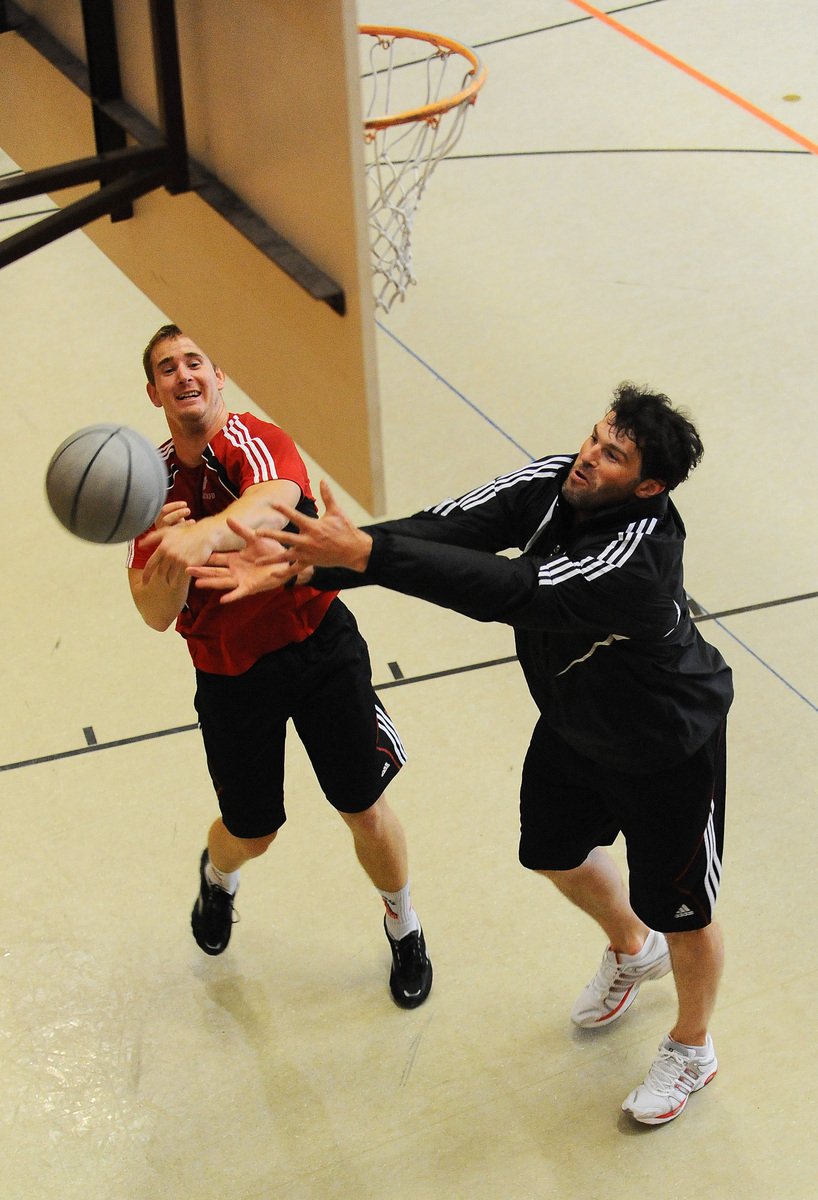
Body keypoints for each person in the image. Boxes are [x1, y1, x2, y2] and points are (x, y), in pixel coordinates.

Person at [190, 383, 733, 1126]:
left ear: (649, 487)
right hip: (576, 726)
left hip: (667, 744)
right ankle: (633, 951)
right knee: (550, 852)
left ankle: (692, 1045)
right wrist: (316, 560)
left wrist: (366, 555)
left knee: (685, 911)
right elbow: (452, 527)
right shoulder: (555, 483)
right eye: (596, 435)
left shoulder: (636, 560)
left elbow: (514, 588)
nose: (588, 455)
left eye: (613, 455)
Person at [126, 324, 432, 1009]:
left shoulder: (255, 440)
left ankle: (403, 924)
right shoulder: (145, 487)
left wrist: (198, 534)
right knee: (251, 832)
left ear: (219, 374)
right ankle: (217, 877)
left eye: (195, 361)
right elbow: (150, 610)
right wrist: (171, 558)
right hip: (230, 674)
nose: (184, 375)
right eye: (168, 368)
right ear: (154, 392)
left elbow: (277, 499)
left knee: (363, 804)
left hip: (318, 647)